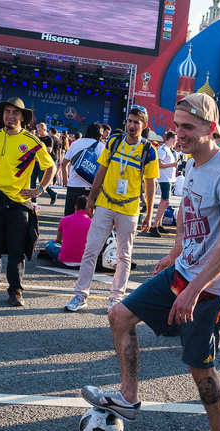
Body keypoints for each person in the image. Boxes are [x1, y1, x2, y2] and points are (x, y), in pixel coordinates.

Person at [80, 92, 220, 431]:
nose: (179, 134)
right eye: (176, 126)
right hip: (184, 271)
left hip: (212, 288)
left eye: (188, 128)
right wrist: (175, 252)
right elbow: (189, 215)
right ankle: (128, 398)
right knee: (119, 315)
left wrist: (193, 289)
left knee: (199, 366)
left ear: (211, 128)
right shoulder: (193, 164)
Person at [64, 105, 158, 313]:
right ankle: (81, 295)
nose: (132, 126)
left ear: (144, 126)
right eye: (130, 121)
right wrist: (91, 197)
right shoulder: (114, 142)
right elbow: (101, 170)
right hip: (105, 204)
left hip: (129, 209)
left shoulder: (148, 150)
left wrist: (149, 213)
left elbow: (151, 183)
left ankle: (116, 299)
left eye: (137, 122)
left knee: (124, 256)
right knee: (90, 250)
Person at [0, 97, 55, 307]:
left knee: (16, 251)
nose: (10, 116)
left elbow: (50, 167)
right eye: (7, 112)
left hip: (18, 205)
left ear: (23, 117)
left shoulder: (33, 141)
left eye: (15, 112)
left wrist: (39, 189)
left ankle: (15, 290)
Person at [61, 123, 104, 216]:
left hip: (73, 187)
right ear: (99, 135)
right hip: (91, 189)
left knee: (69, 218)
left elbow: (64, 164)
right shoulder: (101, 147)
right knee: (88, 222)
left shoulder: (75, 143)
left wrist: (66, 181)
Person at [42, 195, 92, 267]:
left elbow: (58, 240)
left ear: (75, 207)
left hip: (64, 260)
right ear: (89, 209)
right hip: (84, 261)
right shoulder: (92, 223)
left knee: (50, 244)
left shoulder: (64, 219)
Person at [150, 130, 178, 237]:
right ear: (170, 139)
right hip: (164, 179)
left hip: (168, 179)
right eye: (174, 140)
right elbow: (159, 164)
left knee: (164, 202)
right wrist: (173, 164)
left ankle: (159, 224)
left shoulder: (168, 149)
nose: (176, 142)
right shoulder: (163, 149)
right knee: (165, 202)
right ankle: (154, 226)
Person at [32, 122, 59, 205]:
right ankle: (33, 201)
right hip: (36, 162)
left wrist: (38, 150)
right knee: (32, 181)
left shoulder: (49, 138)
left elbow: (49, 150)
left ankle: (52, 193)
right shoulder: (37, 138)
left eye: (40, 130)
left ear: (44, 129)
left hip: (44, 163)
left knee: (42, 181)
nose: (38, 132)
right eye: (37, 130)